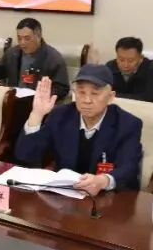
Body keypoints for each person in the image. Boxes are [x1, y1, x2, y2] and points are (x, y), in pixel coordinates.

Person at [15, 66, 144, 193]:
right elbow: (26, 155)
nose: (87, 100)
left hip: (109, 197)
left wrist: (103, 181)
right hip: (66, 194)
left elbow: (129, 167)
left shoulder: (127, 124)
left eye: (95, 93)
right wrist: (37, 114)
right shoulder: (60, 116)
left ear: (110, 96)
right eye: (81, 92)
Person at [0, 18, 70, 99]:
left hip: (38, 105)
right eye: (19, 38)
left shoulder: (53, 58)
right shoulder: (13, 53)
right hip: (13, 102)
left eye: (27, 38)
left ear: (38, 36)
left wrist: (40, 95)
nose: (22, 43)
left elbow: (62, 89)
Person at [100, 37, 153, 103]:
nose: (125, 65)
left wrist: (113, 95)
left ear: (141, 57)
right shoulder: (110, 67)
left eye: (130, 61)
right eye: (121, 60)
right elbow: (103, 92)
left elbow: (149, 99)